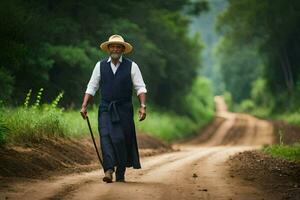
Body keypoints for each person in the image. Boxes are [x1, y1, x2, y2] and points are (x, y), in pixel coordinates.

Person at [80, 34, 147, 183]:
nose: (115, 48)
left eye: (118, 46)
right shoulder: (100, 66)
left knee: (120, 140)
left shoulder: (132, 66)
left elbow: (140, 87)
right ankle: (109, 170)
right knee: (105, 137)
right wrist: (84, 105)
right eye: (113, 46)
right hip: (105, 107)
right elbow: (92, 87)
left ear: (123, 49)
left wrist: (142, 106)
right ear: (108, 49)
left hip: (124, 109)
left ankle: (121, 172)